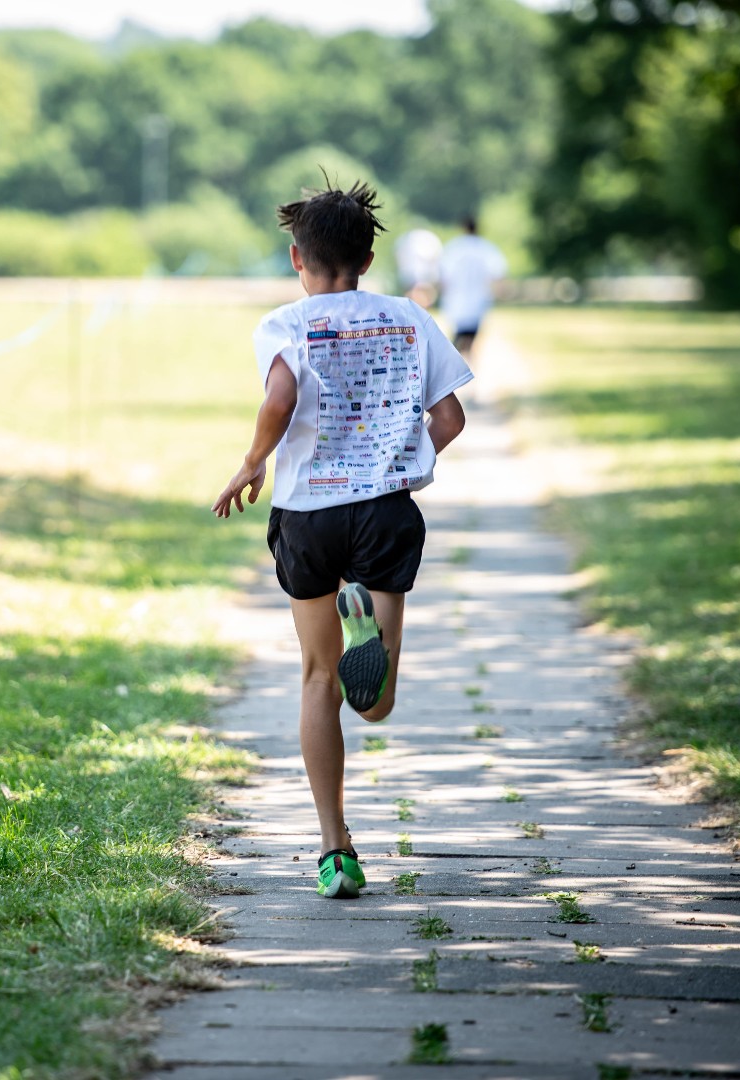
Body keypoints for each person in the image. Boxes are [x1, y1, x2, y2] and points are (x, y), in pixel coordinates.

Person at [212, 179, 472, 899]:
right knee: (376, 703)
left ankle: (335, 850)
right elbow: (450, 420)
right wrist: (402, 460)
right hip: (384, 511)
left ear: (298, 258)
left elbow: (281, 399)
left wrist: (251, 462)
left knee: (317, 680)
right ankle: (369, 641)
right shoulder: (409, 318)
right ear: (368, 258)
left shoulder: (284, 324)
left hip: (309, 516)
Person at [438, 216, 507, 359]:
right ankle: (466, 358)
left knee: (459, 332)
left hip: (456, 298)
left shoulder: (454, 247)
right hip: (478, 298)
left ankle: (458, 360)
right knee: (470, 334)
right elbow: (497, 273)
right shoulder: (486, 247)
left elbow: (444, 275)